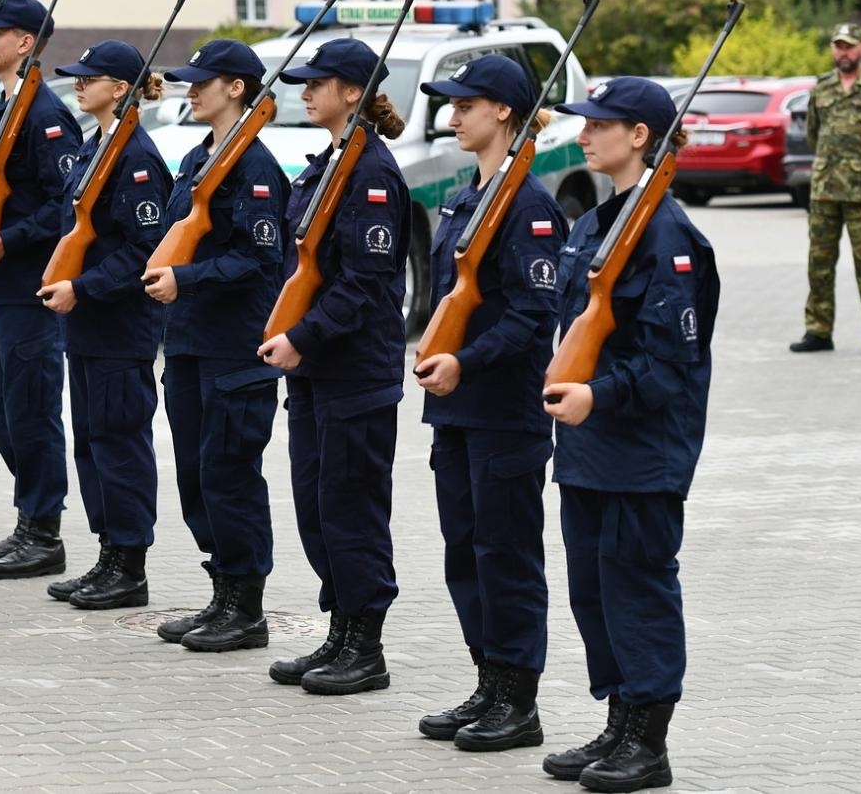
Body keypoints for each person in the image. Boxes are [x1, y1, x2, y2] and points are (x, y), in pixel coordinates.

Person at [540, 76, 720, 793]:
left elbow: (671, 365)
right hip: (586, 449)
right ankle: (617, 719)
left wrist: (598, 393)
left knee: (638, 588)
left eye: (598, 123)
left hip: (641, 453)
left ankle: (649, 739)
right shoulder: (596, 222)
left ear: (639, 134)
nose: (583, 133)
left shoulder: (670, 236)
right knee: (594, 591)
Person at [411, 56, 567, 750]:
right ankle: (488, 679)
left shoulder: (528, 206)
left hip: (504, 409)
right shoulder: (468, 195)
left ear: (503, 110)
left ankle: (519, 698)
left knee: (506, 554)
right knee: (465, 554)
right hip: (458, 411)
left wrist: (464, 361)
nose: (453, 115)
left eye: (465, 103)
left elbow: (532, 318)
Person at [256, 37, 410, 696]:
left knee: (351, 508)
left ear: (352, 90)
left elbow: (367, 285)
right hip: (318, 369)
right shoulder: (329, 163)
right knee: (319, 507)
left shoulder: (371, 173)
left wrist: (304, 335)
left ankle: (365, 646)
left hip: (354, 370)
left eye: (318, 83)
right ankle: (341, 629)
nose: (306, 92)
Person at [142, 40, 289, 652]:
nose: (191, 89)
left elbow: (262, 259)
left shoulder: (255, 168)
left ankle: (246, 606)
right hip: (188, 342)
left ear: (237, 88)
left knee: (230, 473)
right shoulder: (198, 158)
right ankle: (222, 590)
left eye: (204, 81)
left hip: (234, 347)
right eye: (188, 81)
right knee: (196, 476)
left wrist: (189, 279)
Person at [38, 41, 173, 609]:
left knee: (120, 443)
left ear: (120, 87)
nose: (77, 83)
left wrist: (83, 287)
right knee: (92, 444)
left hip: (119, 327)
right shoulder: (98, 146)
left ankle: (130, 564)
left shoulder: (137, 157)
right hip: (89, 327)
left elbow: (144, 249)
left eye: (89, 77)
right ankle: (107, 554)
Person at [0, 0, 82, 579]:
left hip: (28, 289)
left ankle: (44, 530)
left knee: (31, 412)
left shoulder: (46, 117)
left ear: (27, 43)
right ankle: (27, 520)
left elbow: (64, 205)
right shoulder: (4, 110)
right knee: (4, 412)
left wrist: (7, 241)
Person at [791, 22, 861, 356]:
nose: (844, 52)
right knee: (819, 263)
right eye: (838, 46)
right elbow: (814, 134)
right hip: (825, 190)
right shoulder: (822, 89)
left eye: (849, 46)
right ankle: (818, 330)